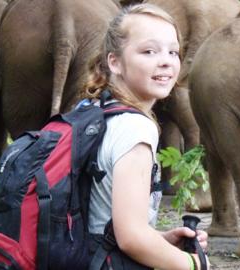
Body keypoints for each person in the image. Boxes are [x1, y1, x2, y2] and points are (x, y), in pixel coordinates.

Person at [83, 3, 209, 270]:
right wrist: (194, 264)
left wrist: (161, 241)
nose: (165, 60)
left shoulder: (93, 111)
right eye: (149, 51)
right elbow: (130, 239)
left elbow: (104, 220)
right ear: (114, 62)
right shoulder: (136, 129)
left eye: (173, 52)